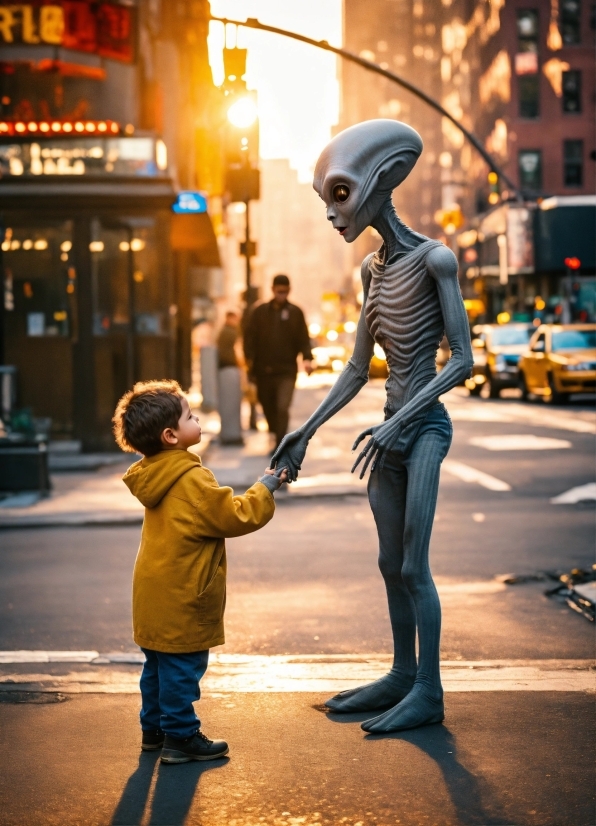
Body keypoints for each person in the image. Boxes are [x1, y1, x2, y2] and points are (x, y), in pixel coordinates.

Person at [273, 120, 473, 733]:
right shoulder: (372, 271)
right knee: (390, 566)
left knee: (415, 567)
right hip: (388, 431)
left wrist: (404, 423)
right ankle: (401, 675)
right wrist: (302, 432)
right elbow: (358, 368)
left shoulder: (436, 259)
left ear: (380, 182)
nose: (333, 217)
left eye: (339, 196)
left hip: (425, 430)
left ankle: (429, 692)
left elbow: (462, 360)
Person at [112, 379, 287, 763]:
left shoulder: (152, 474)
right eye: (191, 416)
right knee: (182, 670)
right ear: (171, 435)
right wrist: (266, 486)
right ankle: (181, 737)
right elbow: (235, 515)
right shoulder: (191, 479)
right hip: (183, 594)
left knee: (157, 668)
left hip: (153, 592)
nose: (199, 420)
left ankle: (153, 731)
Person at [244, 274, 314, 450]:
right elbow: (249, 338)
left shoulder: (295, 313)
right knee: (267, 405)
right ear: (273, 290)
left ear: (289, 291)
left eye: (285, 291)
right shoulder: (259, 313)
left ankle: (280, 443)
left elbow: (303, 339)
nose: (281, 294)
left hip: (286, 371)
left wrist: (307, 358)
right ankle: (275, 432)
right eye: (279, 291)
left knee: (282, 407)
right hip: (263, 371)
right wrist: (250, 361)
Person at [216, 311, 243, 445]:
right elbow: (237, 350)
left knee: (228, 403)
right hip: (229, 368)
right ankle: (232, 435)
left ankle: (229, 433)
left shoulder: (224, 331)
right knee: (231, 402)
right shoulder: (231, 332)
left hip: (225, 369)